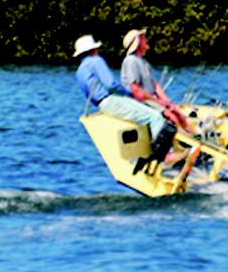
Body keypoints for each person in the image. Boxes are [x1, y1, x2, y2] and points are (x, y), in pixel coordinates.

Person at [74, 34, 176, 173]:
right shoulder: (95, 61)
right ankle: (167, 158)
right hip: (111, 100)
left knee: (146, 119)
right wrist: (129, 93)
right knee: (155, 117)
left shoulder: (79, 71)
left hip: (101, 104)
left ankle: (150, 156)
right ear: (93, 50)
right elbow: (111, 84)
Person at [120, 28, 191, 130]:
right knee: (172, 118)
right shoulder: (131, 61)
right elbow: (135, 90)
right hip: (141, 102)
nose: (146, 39)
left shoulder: (143, 62)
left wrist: (168, 102)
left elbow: (155, 85)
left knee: (180, 116)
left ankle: (195, 138)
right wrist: (158, 101)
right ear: (138, 42)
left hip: (152, 100)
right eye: (143, 37)